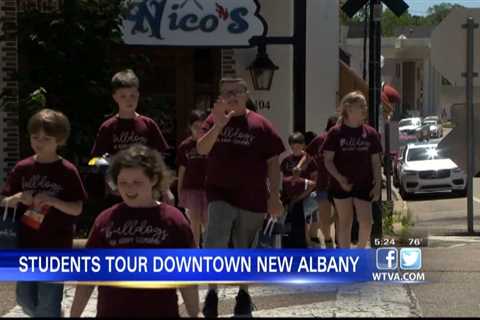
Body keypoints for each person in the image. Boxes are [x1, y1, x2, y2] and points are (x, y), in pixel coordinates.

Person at [70, 145, 199, 318]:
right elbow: (88, 277)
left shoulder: (174, 220)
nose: (129, 189)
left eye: (137, 182)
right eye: (123, 183)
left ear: (153, 179)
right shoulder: (105, 220)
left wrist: (195, 313)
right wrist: (74, 314)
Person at [197, 77, 285, 317]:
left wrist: (275, 197)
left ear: (246, 94)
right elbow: (201, 149)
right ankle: (212, 293)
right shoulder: (213, 121)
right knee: (215, 240)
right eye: (227, 92)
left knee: (246, 249)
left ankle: (243, 295)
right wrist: (218, 125)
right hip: (219, 192)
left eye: (237, 91)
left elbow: (273, 163)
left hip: (253, 196)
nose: (232, 96)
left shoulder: (261, 125)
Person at [1, 109, 87, 317]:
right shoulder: (23, 168)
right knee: (25, 300)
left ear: (59, 140)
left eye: (46, 138)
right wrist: (17, 198)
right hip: (25, 244)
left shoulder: (67, 171)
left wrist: (54, 201)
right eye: (35, 137)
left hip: (56, 245)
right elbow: (4, 200)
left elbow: (78, 207)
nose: (39, 142)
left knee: (47, 305)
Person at [89, 69, 172, 206]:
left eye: (133, 96)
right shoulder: (108, 127)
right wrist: (111, 183)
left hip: (146, 188)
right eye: (123, 96)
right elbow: (95, 160)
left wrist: (166, 189)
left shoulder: (148, 124)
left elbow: (160, 158)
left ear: (138, 95)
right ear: (115, 97)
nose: (129, 100)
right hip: (119, 190)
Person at [323, 92, 382, 249]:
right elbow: (327, 160)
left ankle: (360, 252)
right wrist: (339, 178)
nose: (364, 108)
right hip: (341, 184)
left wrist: (378, 184)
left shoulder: (371, 133)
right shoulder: (335, 133)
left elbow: (376, 162)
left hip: (364, 183)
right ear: (348, 108)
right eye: (361, 105)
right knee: (345, 221)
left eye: (365, 105)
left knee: (366, 221)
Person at [295, 116, 339, 248]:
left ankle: (338, 242)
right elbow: (307, 154)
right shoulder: (320, 139)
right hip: (323, 184)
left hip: (338, 185)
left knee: (339, 216)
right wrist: (299, 166)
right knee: (326, 217)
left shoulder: (342, 140)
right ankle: (328, 240)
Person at [177, 109, 209, 247]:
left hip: (208, 189)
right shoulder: (185, 146)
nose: (199, 130)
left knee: (208, 222)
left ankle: (209, 253)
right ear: (190, 127)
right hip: (191, 189)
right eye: (196, 127)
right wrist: (179, 192)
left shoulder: (212, 143)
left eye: (203, 127)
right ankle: (195, 253)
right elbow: (182, 170)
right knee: (194, 222)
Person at [280, 132, 317, 248]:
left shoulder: (309, 160)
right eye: (293, 146)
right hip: (289, 197)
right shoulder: (286, 161)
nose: (295, 149)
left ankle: (302, 244)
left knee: (299, 215)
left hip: (305, 196)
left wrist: (298, 198)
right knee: (286, 219)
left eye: (298, 146)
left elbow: (314, 183)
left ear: (303, 145)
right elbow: (284, 181)